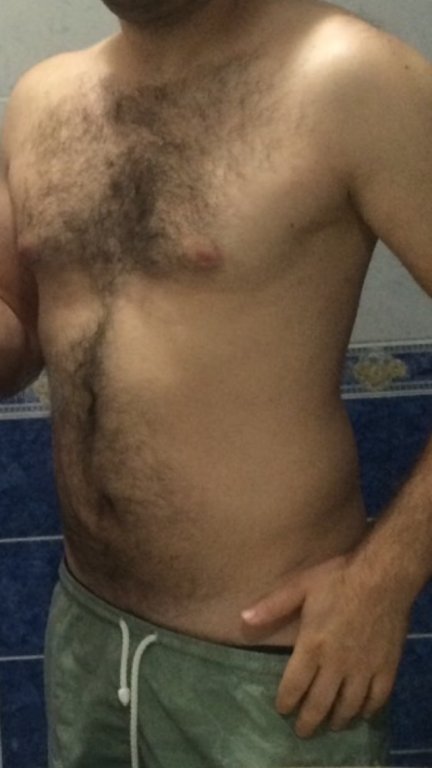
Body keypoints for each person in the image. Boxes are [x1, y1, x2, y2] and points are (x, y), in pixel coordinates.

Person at [1, 0, 431, 765]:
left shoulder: (351, 77)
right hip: (88, 642)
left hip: (270, 674)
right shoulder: (39, 100)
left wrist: (384, 580)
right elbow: (19, 342)